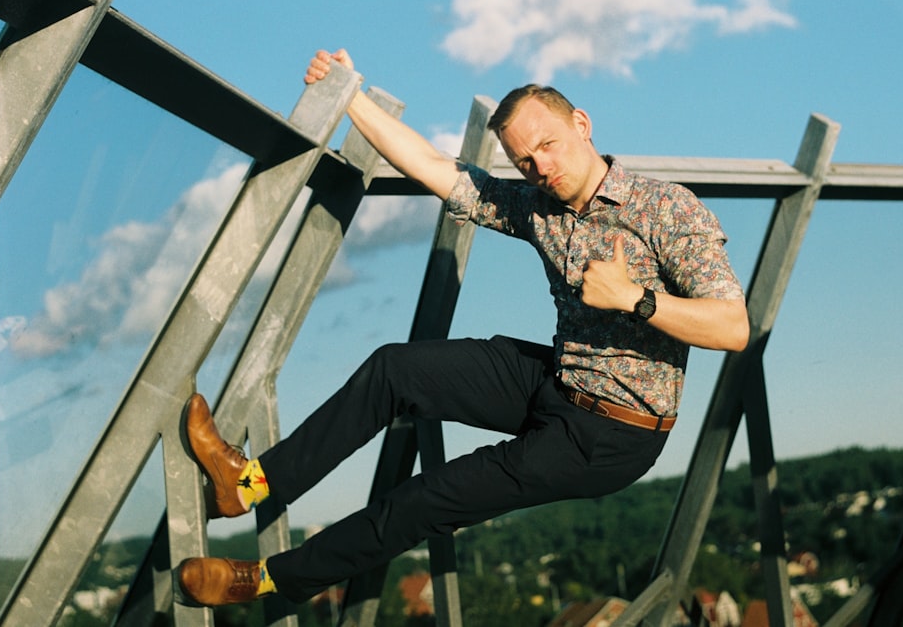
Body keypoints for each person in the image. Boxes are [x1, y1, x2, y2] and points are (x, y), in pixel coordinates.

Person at [177, 49, 750, 607]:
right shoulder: (537, 206)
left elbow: (733, 327)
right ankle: (246, 484)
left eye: (548, 145)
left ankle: (267, 581)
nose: (542, 168)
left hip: (614, 434)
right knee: (394, 370)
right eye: (525, 161)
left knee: (430, 496)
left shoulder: (667, 209)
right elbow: (432, 165)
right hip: (558, 379)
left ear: (582, 124)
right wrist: (347, 93)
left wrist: (634, 299)